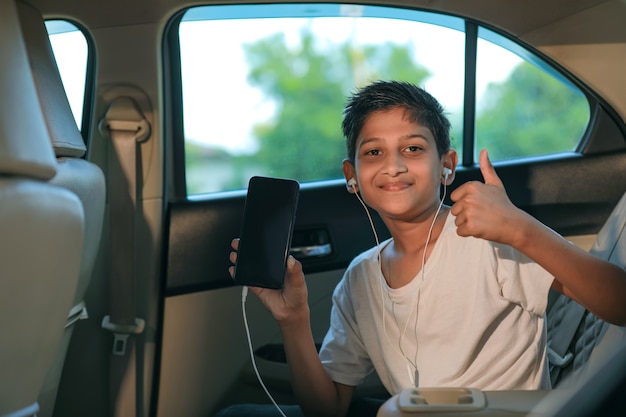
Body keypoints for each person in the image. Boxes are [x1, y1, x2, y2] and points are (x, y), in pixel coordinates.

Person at [220, 80, 626, 417]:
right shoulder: (359, 279)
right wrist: (294, 319)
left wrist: (522, 229)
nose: (393, 165)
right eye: (373, 152)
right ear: (353, 176)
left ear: (446, 165)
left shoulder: (491, 241)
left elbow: (620, 303)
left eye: (413, 149)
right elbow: (327, 409)